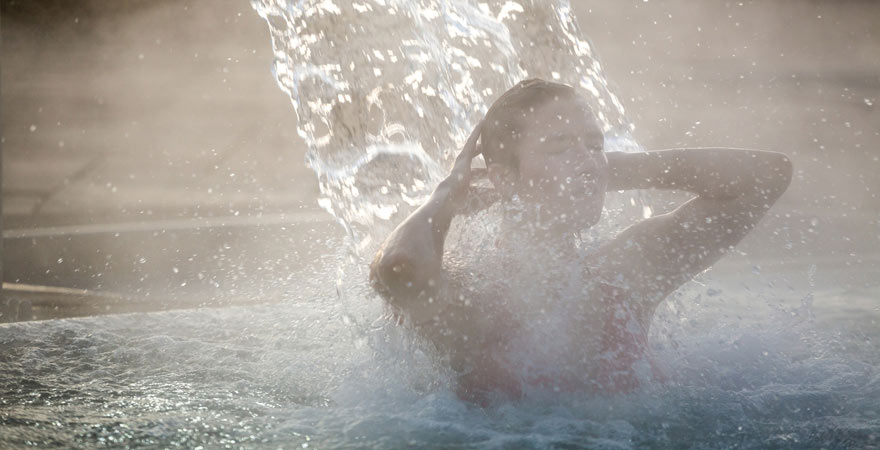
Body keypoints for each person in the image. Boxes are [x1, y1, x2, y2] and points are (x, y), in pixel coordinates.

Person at [369, 78, 792, 404]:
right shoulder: (471, 296)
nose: (587, 159)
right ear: (503, 177)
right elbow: (399, 269)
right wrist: (446, 198)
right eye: (559, 147)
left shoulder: (628, 270)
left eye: (595, 143)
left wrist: (608, 170)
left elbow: (766, 177)